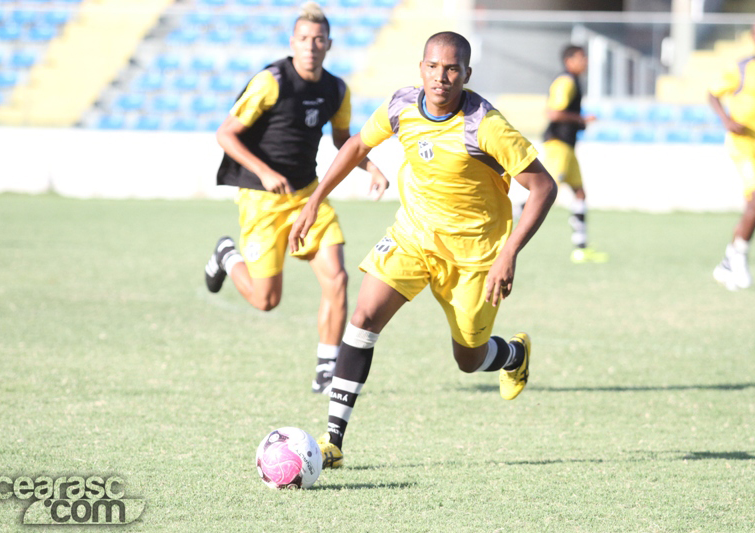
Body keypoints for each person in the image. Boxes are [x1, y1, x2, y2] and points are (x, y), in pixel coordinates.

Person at [289, 31, 558, 468]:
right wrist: (315, 200)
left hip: (475, 256)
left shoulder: (485, 125)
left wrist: (509, 253)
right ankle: (333, 441)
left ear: (466, 74)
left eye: (452, 69)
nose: (441, 77)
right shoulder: (402, 106)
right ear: (421, 68)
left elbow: (544, 187)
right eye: (433, 66)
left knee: (468, 358)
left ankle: (513, 354)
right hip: (412, 236)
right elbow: (356, 145)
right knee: (363, 318)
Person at [204, 2, 389, 394]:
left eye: (318, 39)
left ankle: (327, 371)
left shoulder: (337, 90)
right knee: (266, 300)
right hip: (262, 200)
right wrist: (265, 172)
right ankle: (227, 255)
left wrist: (371, 167)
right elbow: (225, 134)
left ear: (329, 44)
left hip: (307, 196)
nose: (311, 46)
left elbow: (343, 141)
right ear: (292, 42)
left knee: (337, 278)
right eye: (304, 39)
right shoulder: (270, 82)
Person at [709, 16, 755, 290]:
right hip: (743, 145)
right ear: (753, 37)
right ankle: (739, 257)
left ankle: (728, 261)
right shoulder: (742, 68)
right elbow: (712, 94)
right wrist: (726, 120)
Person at [541, 45, 607, 263]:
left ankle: (580, 248)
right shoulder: (566, 82)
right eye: (581, 57)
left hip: (568, 147)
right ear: (569, 60)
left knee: (579, 193)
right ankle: (506, 221)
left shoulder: (574, 81)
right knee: (543, 194)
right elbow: (553, 113)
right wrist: (581, 119)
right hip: (558, 146)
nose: (585, 61)